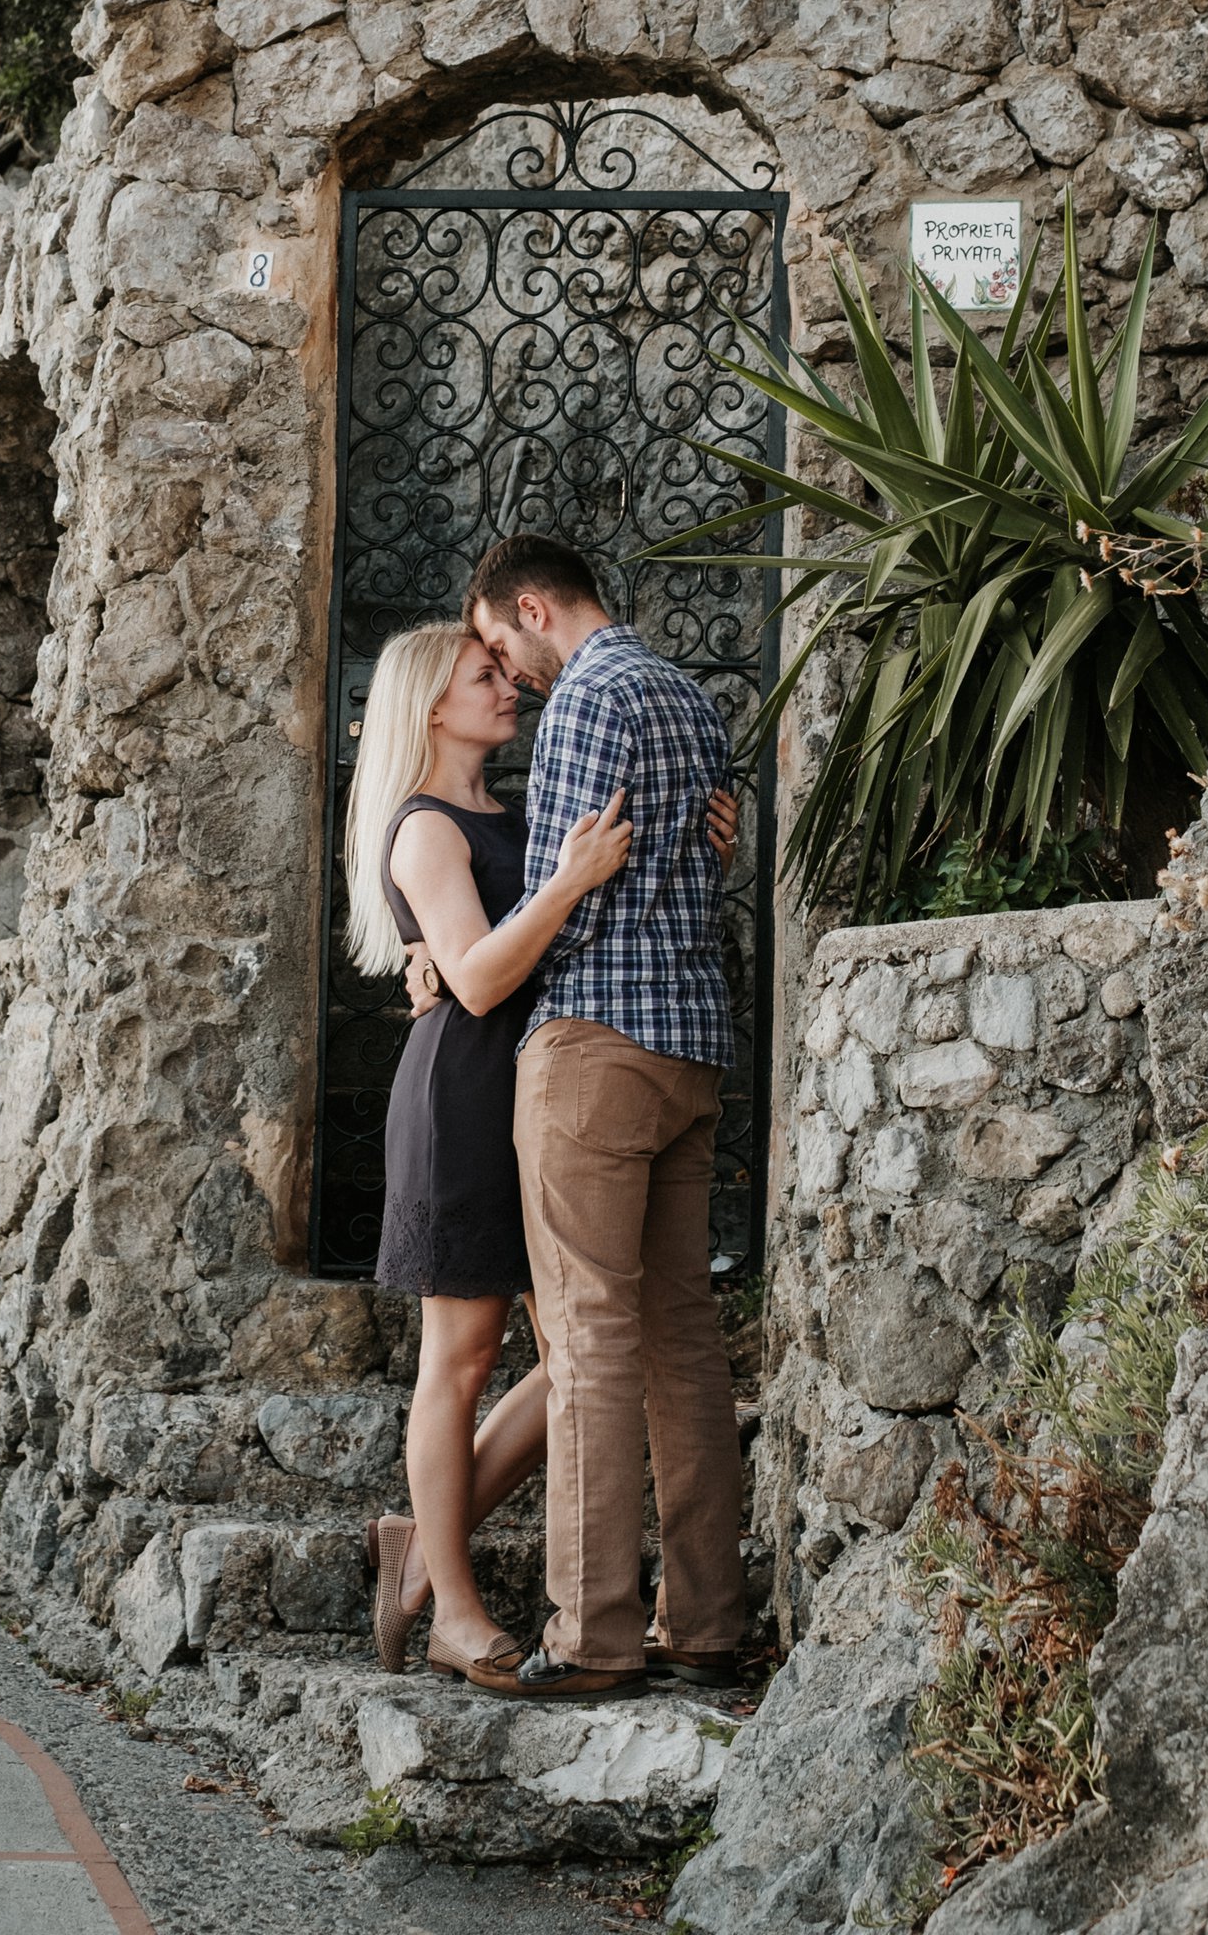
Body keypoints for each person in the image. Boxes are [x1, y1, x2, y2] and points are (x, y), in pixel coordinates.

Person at [344, 620, 735, 1679]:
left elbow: (566, 928)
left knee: (577, 1357)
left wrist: (695, 841)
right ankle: (455, 1613)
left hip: (538, 1094)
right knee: (460, 1362)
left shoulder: (509, 815)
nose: (509, 687)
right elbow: (473, 979)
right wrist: (565, 883)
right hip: (463, 1105)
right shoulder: (424, 827)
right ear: (431, 705)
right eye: (485, 678)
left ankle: (417, 1541)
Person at [456, 533, 749, 1704]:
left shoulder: (587, 700)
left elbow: (563, 903)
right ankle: (705, 1622)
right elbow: (699, 865)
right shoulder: (683, 693)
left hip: (595, 1051)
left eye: (497, 642)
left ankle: (593, 1635)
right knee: (681, 1335)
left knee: (586, 1340)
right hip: (689, 1051)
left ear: (533, 608)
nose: (506, 669)